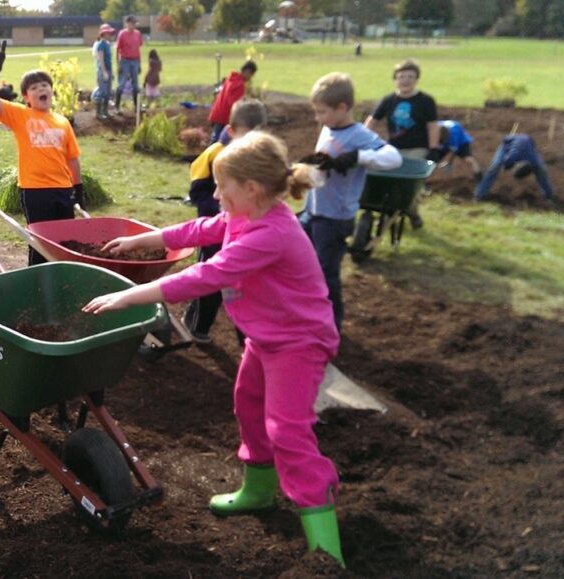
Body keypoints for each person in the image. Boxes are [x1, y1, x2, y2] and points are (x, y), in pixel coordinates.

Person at [82, 131, 346, 567]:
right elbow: (202, 228)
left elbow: (207, 275)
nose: (215, 194)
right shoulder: (244, 215)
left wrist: (131, 295)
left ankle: (325, 544)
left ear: (252, 189)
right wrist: (144, 239)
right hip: (267, 340)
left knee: (288, 431)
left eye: (222, 187)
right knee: (248, 405)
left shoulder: (272, 234)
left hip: (299, 344)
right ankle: (260, 491)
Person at [302, 72, 401, 332]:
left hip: (334, 217)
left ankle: (330, 327)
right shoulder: (328, 127)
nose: (317, 118)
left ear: (342, 108)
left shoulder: (358, 134)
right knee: (299, 261)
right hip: (312, 210)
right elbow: (328, 159)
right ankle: (304, 312)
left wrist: (359, 157)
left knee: (326, 273)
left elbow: (394, 158)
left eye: (321, 112)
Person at [0, 40, 83, 266]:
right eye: (34, 87)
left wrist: (78, 188)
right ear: (26, 97)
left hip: (63, 189)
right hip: (35, 191)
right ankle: (37, 279)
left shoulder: (62, 122)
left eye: (44, 85)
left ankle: (61, 277)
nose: (41, 89)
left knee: (64, 243)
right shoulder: (21, 115)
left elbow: (73, 159)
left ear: (52, 90)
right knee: (39, 243)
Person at [183, 98, 267, 345]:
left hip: (245, 235)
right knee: (209, 283)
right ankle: (199, 327)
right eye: (246, 134)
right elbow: (198, 192)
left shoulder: (258, 159)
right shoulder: (214, 154)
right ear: (231, 130)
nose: (252, 140)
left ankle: (249, 339)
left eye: (258, 134)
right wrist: (221, 213)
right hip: (215, 232)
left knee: (245, 286)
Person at [364, 59, 439, 229]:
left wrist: (433, 148)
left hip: (417, 149)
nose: (405, 80)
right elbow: (372, 120)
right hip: (394, 149)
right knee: (387, 180)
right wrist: (363, 139)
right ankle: (392, 209)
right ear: (395, 79)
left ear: (417, 79)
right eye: (401, 76)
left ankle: (412, 211)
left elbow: (432, 126)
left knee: (409, 185)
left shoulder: (425, 101)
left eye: (410, 76)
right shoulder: (389, 100)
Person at [474, 133, 555, 201]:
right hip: (505, 148)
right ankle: (480, 194)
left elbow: (542, 169)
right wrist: (504, 167)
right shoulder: (512, 156)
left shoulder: (534, 160)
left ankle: (549, 195)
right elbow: (506, 164)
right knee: (495, 167)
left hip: (527, 145)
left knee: (541, 170)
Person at [208, 60, 257, 144]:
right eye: (252, 75)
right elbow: (235, 104)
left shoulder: (231, 79)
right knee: (221, 144)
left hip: (218, 113)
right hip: (225, 118)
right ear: (247, 71)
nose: (251, 78)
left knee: (214, 142)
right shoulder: (240, 84)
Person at [114, 15, 143, 113]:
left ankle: (137, 107)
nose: (133, 25)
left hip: (135, 60)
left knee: (136, 85)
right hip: (125, 60)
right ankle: (116, 107)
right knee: (122, 84)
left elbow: (138, 49)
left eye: (134, 23)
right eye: (131, 23)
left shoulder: (138, 34)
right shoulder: (122, 34)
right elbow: (118, 49)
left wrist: (139, 64)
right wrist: (118, 64)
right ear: (127, 23)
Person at [92, 24, 115, 121]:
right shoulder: (101, 44)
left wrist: (111, 72)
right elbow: (101, 59)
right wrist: (105, 71)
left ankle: (105, 111)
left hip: (108, 70)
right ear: (104, 33)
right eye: (108, 33)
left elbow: (109, 60)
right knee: (102, 91)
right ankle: (99, 113)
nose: (110, 34)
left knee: (108, 92)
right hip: (102, 71)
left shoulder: (108, 44)